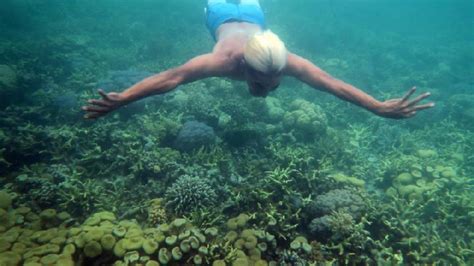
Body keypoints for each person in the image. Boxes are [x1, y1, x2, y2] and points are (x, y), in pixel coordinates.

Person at [82, 0, 434, 119]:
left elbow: (332, 85)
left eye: (273, 82)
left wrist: (376, 106)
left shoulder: (286, 62)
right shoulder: (223, 60)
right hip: (219, 11)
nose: (268, 89)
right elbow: (172, 78)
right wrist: (124, 98)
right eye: (260, 83)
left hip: (253, 11)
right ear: (243, 67)